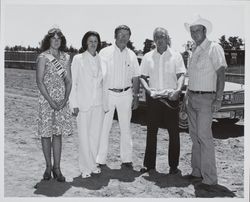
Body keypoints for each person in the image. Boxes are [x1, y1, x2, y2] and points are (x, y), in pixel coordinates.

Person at [184, 15, 227, 186]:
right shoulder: (193, 51)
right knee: (195, 136)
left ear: (204, 31)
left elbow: (221, 73)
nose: (194, 33)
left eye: (197, 30)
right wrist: (185, 100)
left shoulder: (213, 47)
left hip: (206, 98)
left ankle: (209, 179)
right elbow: (191, 78)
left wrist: (219, 98)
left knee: (204, 137)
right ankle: (197, 172)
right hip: (192, 97)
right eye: (192, 31)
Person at [140, 27, 186, 175]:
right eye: (157, 37)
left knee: (174, 133)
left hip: (171, 99)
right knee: (151, 132)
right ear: (154, 40)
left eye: (162, 36)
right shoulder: (147, 56)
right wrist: (148, 91)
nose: (160, 39)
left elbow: (181, 75)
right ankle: (149, 165)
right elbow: (142, 77)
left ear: (167, 38)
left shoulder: (176, 55)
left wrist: (178, 91)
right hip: (153, 99)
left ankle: (173, 166)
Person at [96, 25, 140, 168]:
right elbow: (97, 75)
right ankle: (100, 159)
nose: (123, 37)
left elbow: (136, 78)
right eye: (121, 34)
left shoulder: (132, 55)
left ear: (129, 37)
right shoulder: (104, 52)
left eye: (126, 35)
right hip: (108, 94)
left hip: (126, 95)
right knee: (104, 128)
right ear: (115, 36)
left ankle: (126, 159)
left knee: (125, 127)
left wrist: (136, 96)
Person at [69, 31, 108, 178]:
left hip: (98, 104)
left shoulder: (103, 61)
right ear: (86, 42)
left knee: (95, 137)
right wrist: (74, 103)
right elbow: (73, 83)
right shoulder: (78, 59)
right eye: (90, 41)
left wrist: (105, 104)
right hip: (83, 104)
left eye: (95, 41)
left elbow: (105, 84)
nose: (93, 44)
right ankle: (85, 168)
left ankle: (92, 164)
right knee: (84, 137)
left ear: (99, 44)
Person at [36, 27, 72, 182]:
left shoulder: (66, 57)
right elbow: (39, 81)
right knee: (46, 134)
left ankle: (57, 168)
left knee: (57, 134)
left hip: (61, 101)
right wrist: (50, 101)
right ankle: (48, 167)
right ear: (48, 40)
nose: (56, 40)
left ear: (61, 40)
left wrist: (64, 100)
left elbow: (69, 81)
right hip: (46, 101)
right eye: (53, 38)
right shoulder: (43, 57)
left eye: (59, 38)